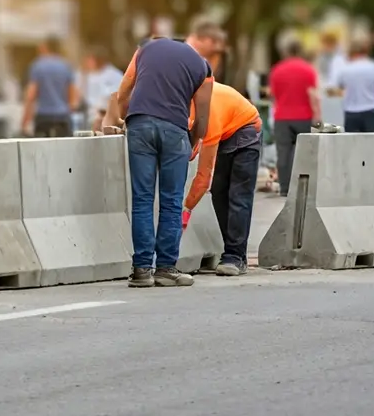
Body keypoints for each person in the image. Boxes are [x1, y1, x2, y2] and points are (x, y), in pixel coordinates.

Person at [116, 29, 216, 289]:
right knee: (171, 201)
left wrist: (128, 118)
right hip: (174, 130)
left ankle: (141, 271)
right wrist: (191, 142)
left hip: (139, 125)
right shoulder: (202, 67)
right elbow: (202, 120)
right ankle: (165, 269)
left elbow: (123, 93)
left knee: (142, 199)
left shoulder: (145, 49)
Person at [182, 82, 262, 276]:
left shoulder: (208, 118)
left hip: (246, 131)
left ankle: (235, 256)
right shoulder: (184, 102)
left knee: (238, 195)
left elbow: (203, 177)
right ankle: (231, 251)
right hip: (226, 129)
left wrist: (185, 210)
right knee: (219, 194)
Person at [269, 43, 319, 197]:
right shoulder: (308, 69)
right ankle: (302, 189)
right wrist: (317, 115)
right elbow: (312, 94)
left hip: (282, 117)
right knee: (303, 152)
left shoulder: (276, 70)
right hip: (304, 116)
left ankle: (285, 189)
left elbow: (273, 95)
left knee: (283, 153)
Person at [22, 36, 79, 137]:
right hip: (62, 116)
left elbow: (31, 95)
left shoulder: (37, 66)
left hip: (44, 116)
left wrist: (26, 119)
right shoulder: (66, 66)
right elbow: (73, 96)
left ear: (45, 47)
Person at [334, 40, 374, 133]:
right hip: (370, 110)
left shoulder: (345, 70)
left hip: (351, 111)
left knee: (352, 143)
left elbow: (340, 88)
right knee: (373, 143)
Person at [79, 46, 125, 132]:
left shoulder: (114, 75)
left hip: (105, 117)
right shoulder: (84, 76)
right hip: (88, 118)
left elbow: (119, 99)